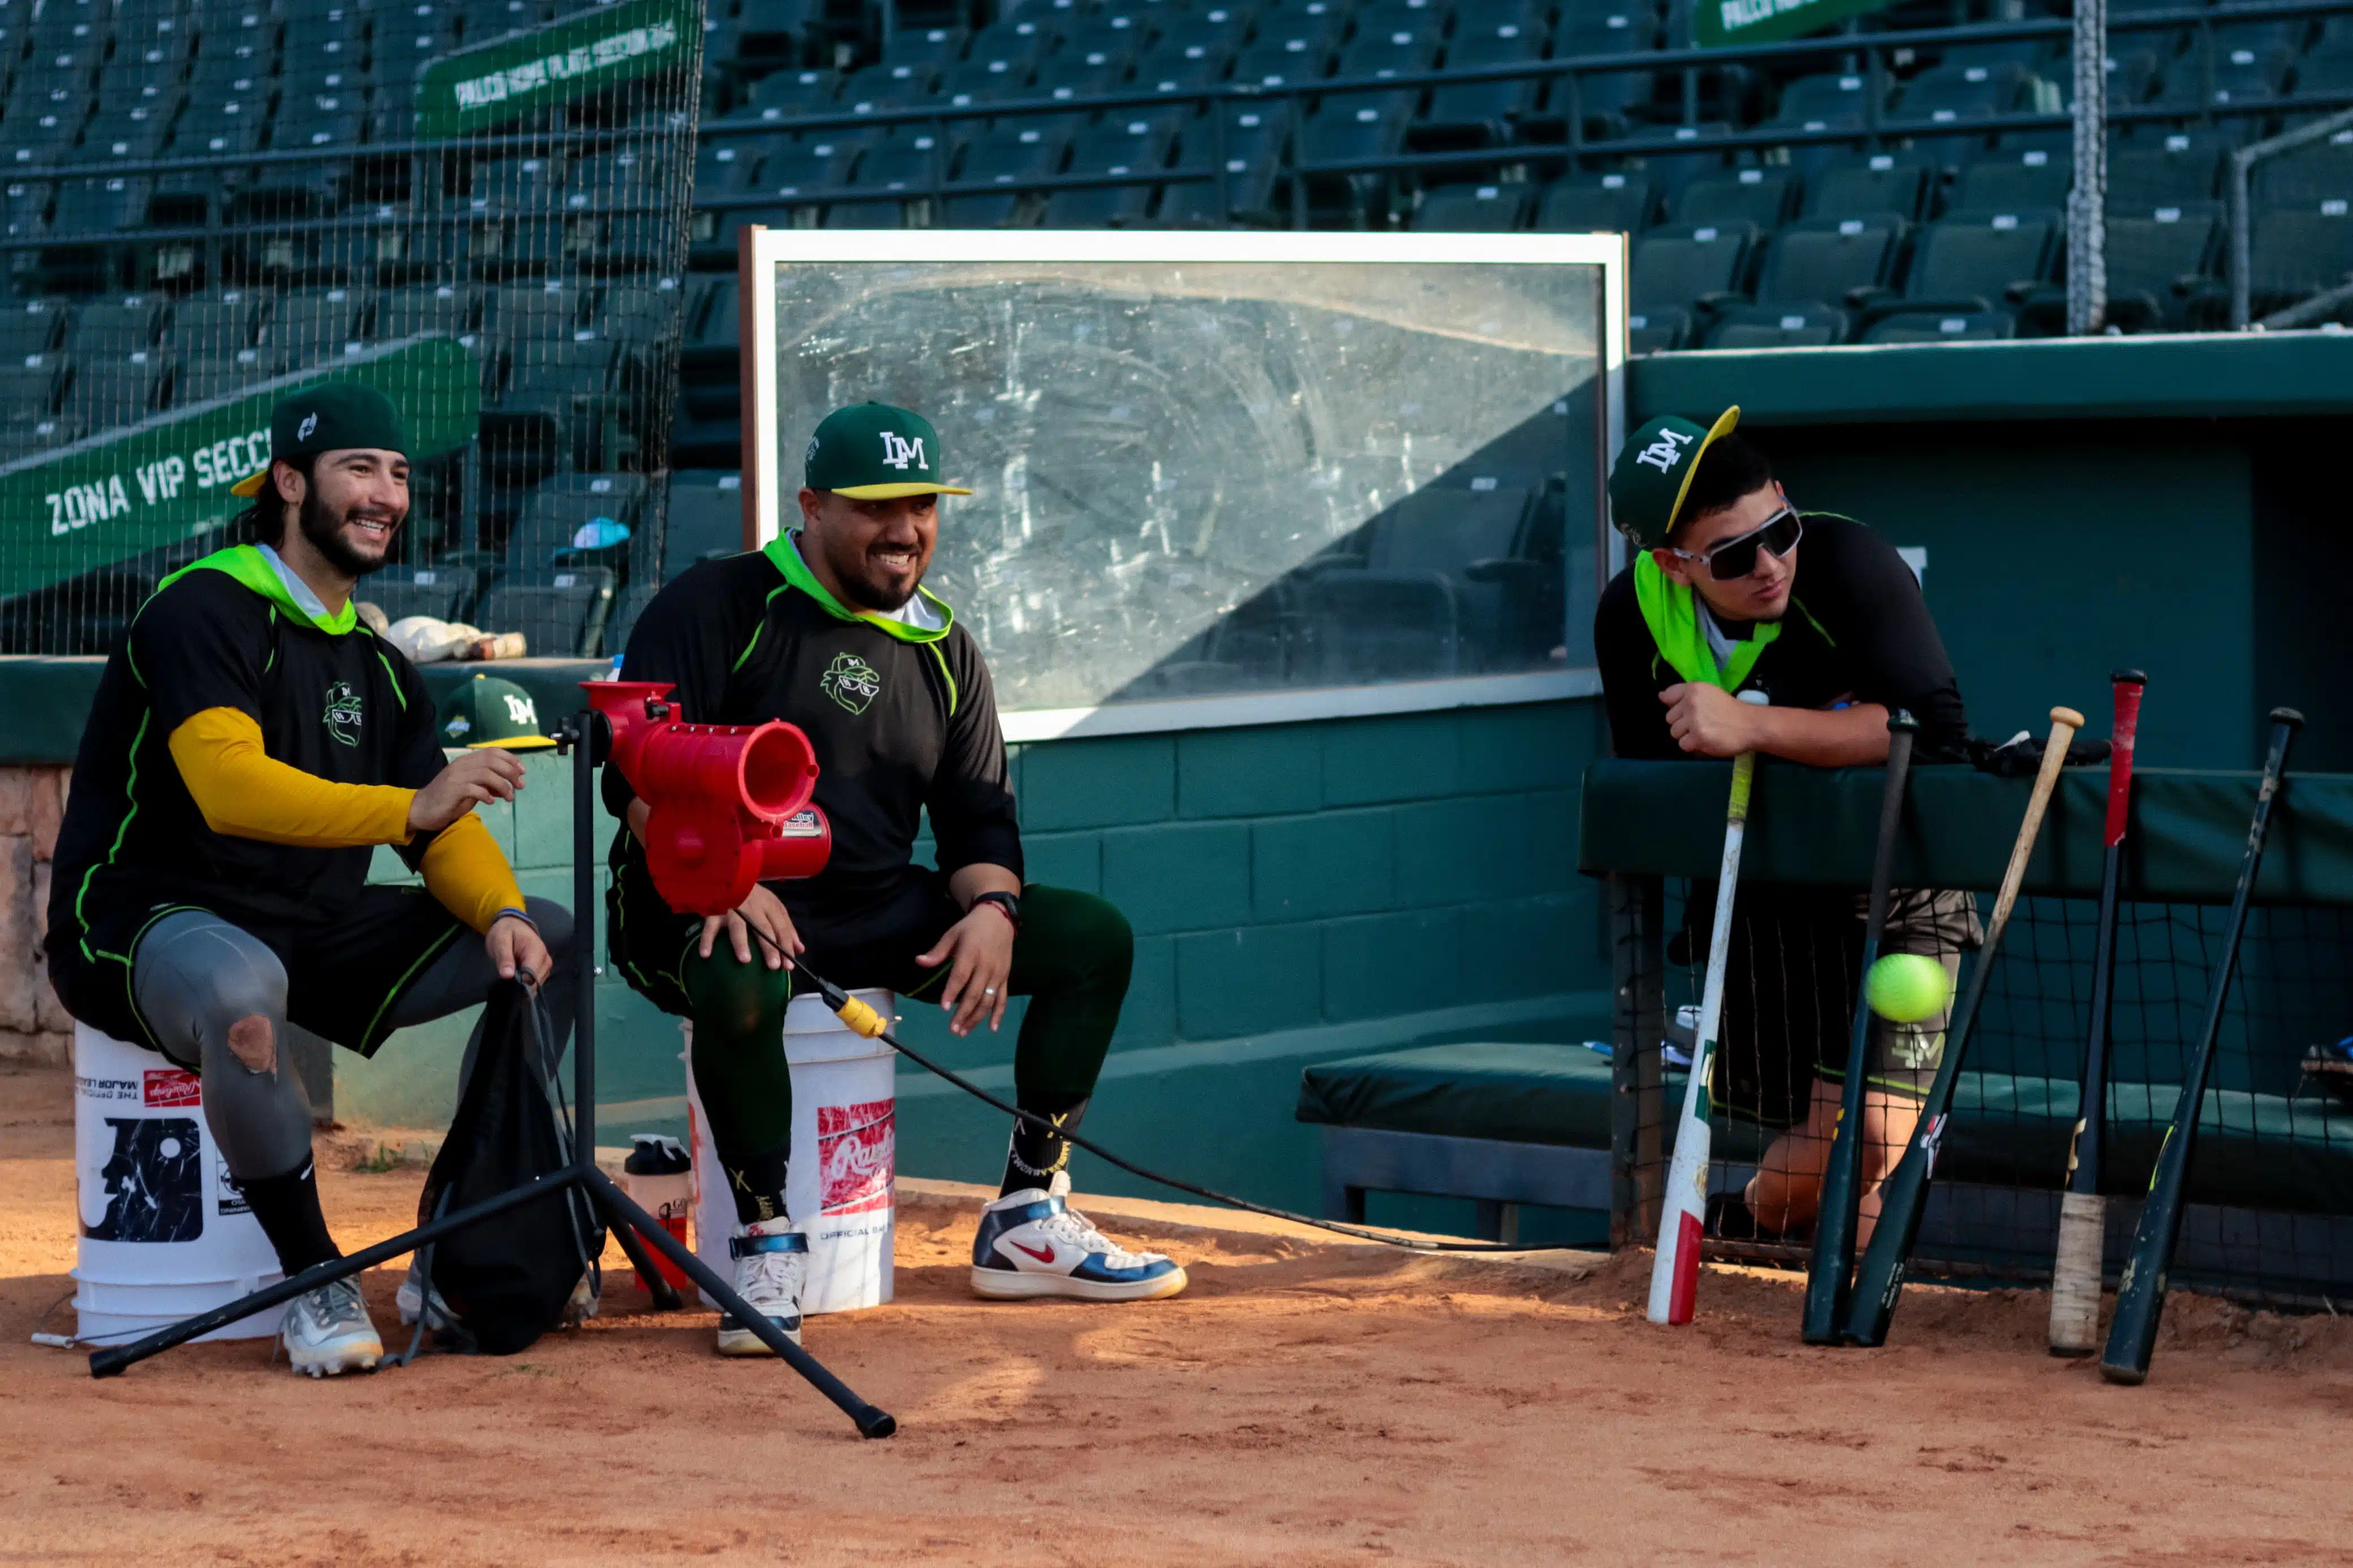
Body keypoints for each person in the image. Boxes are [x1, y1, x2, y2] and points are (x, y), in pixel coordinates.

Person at [609, 401, 1184, 1357]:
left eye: (922, 505)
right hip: (696, 896)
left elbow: (978, 818)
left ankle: (1027, 1215)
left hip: (869, 902)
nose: (905, 530)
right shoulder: (718, 603)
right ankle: (764, 1240)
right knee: (741, 967)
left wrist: (994, 908)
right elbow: (629, 768)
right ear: (813, 507)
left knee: (1091, 939)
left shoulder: (945, 648)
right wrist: (722, 879)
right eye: (877, 508)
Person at [48, 384, 576, 1377]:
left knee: (549, 934)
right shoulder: (204, 606)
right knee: (244, 997)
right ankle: (313, 1276)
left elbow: (441, 832)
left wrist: (499, 908)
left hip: (309, 925)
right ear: (290, 483)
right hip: (146, 918)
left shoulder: (380, 665)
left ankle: (467, 1244)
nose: (387, 493)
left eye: (402, 473)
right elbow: (229, 791)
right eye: (359, 469)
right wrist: (407, 807)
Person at [1593, 405, 1979, 1245]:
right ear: (1672, 562)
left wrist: (1754, 727)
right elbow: (1645, 792)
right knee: (1826, 1151)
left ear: (1783, 495)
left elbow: (1934, 731)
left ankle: (1745, 1225)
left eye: (1780, 529)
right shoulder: (1631, 617)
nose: (1770, 566)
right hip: (1769, 905)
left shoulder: (1851, 564)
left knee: (1874, 1136)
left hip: (1900, 884)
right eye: (1734, 556)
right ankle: (1822, 1321)